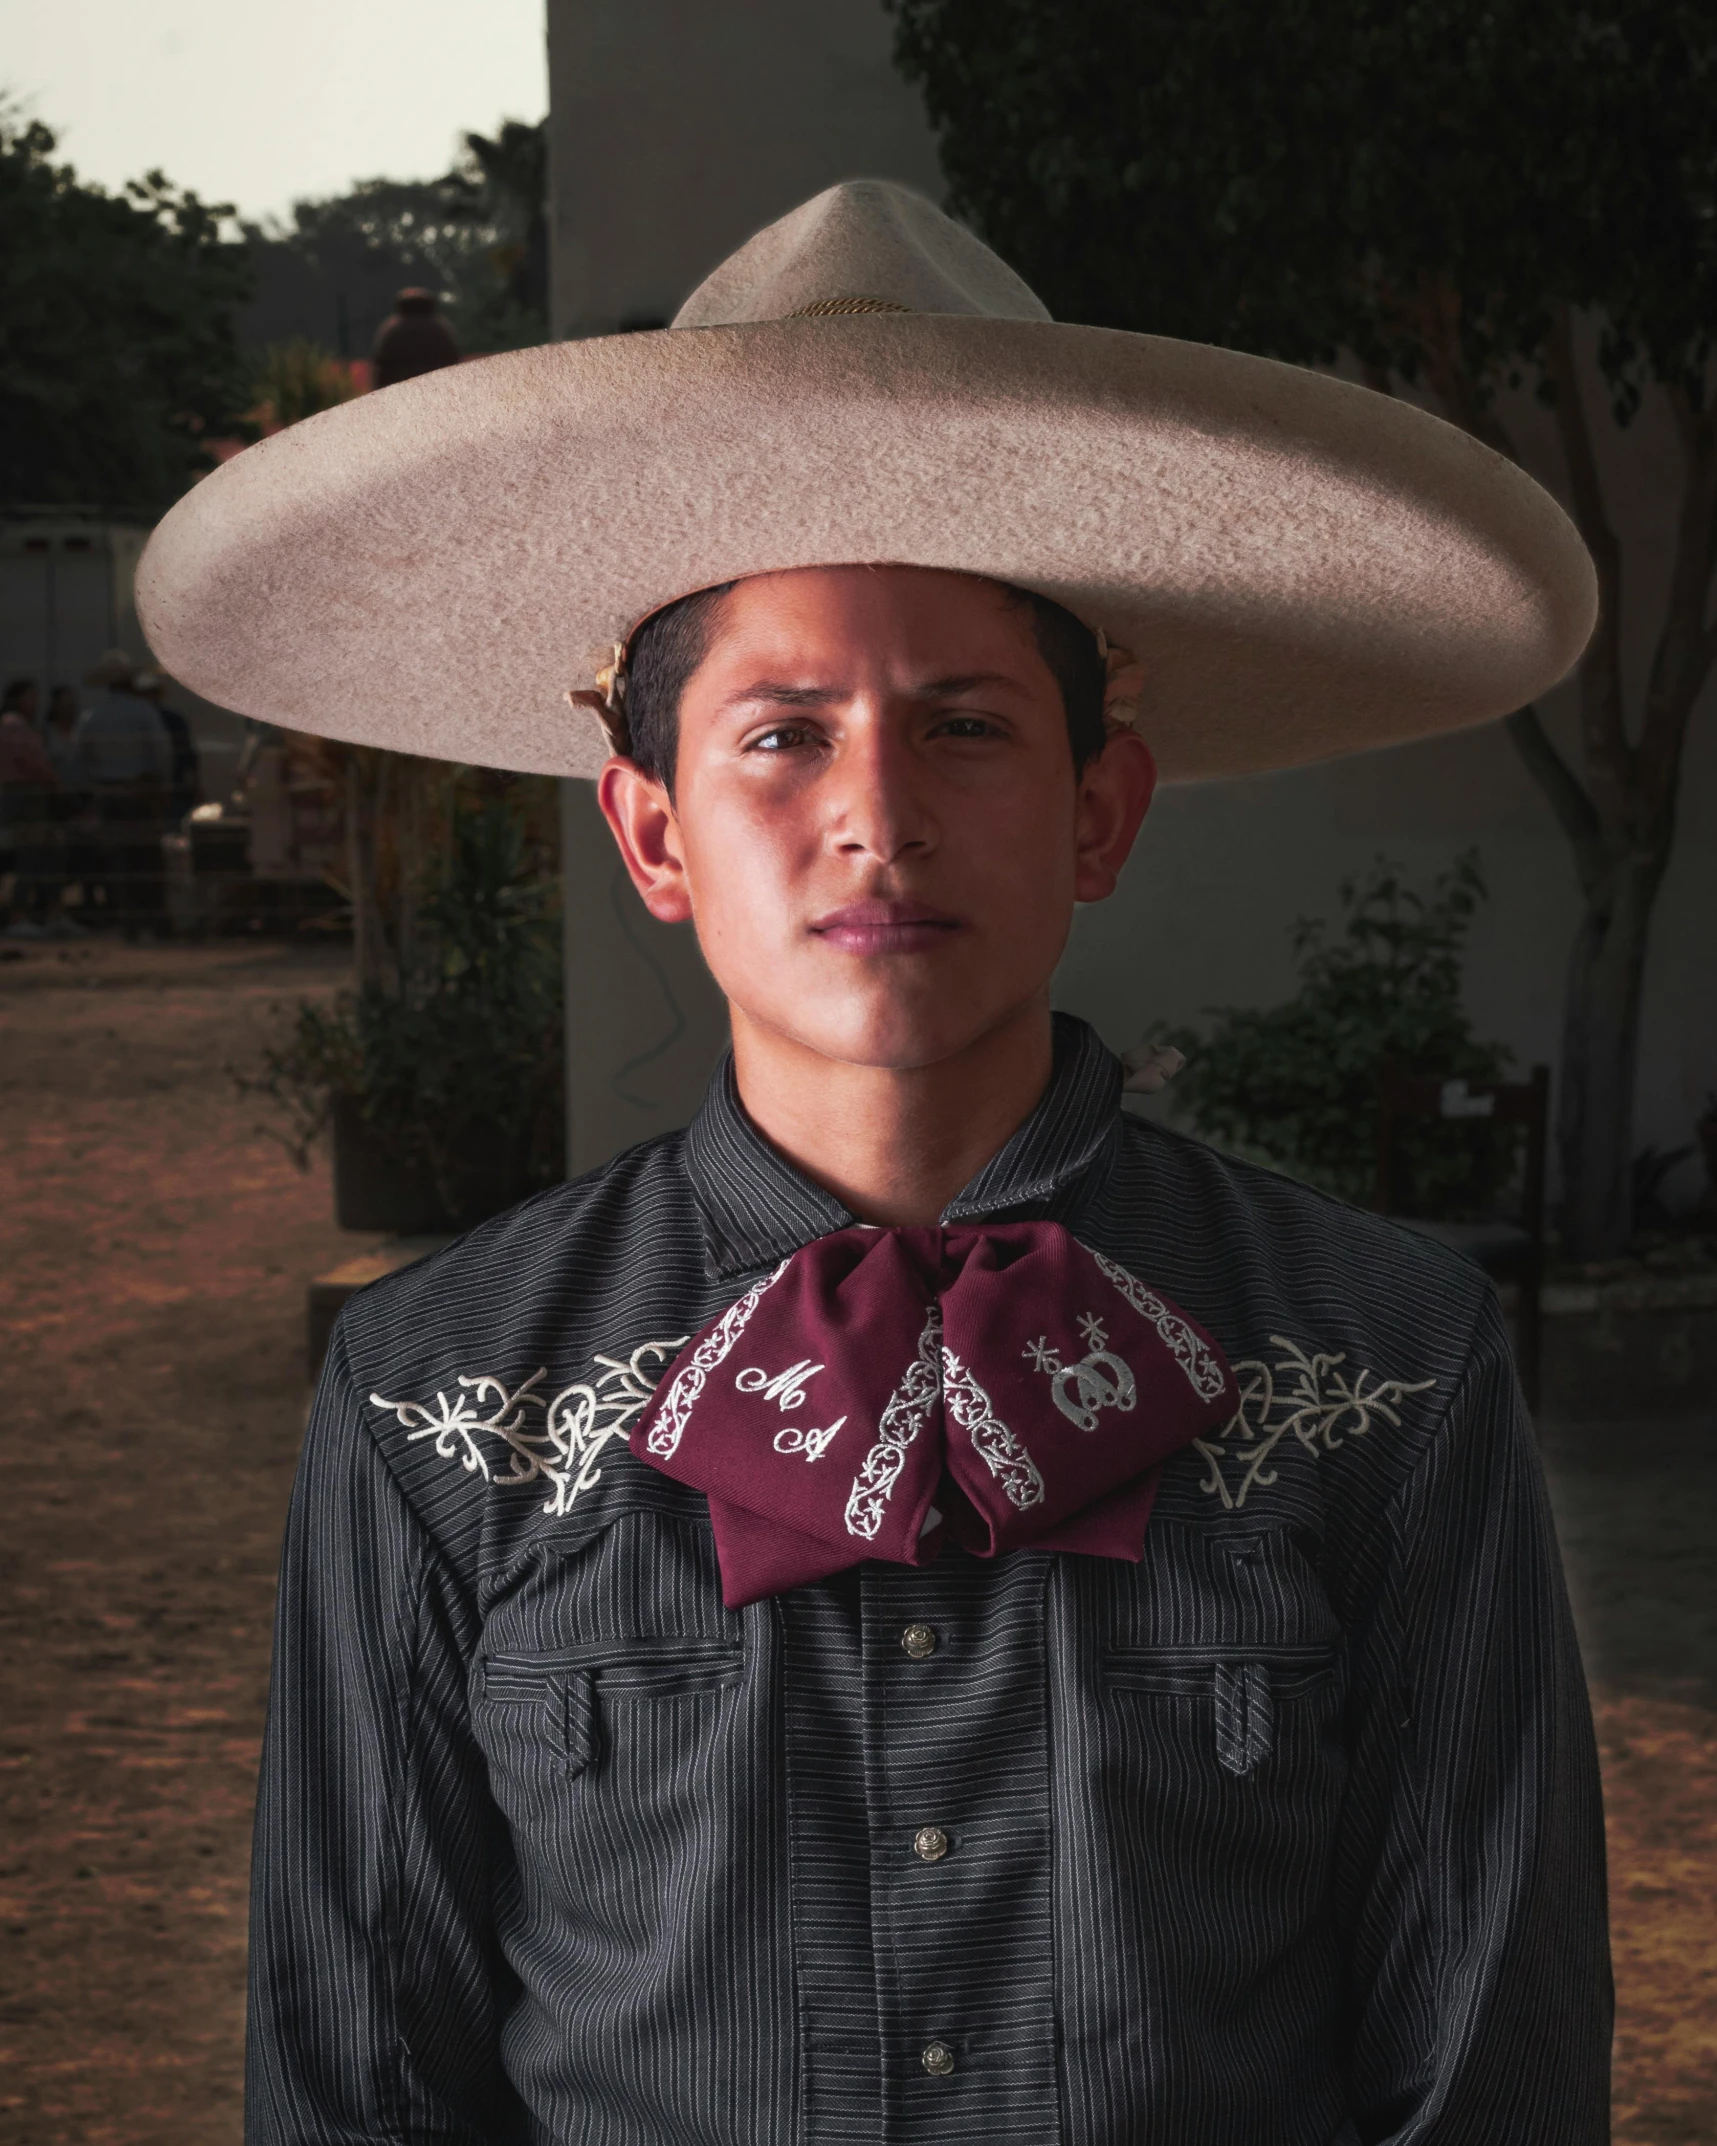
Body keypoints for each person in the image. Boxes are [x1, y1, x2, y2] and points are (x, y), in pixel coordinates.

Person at [138, 183, 1610, 2144]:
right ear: (651, 835)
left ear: (1102, 809)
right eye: (782, 734)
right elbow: (358, 2073)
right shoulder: (435, 1394)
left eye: (967, 725)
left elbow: (1490, 2067)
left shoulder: (1385, 1364)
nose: (878, 814)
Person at [81, 650, 170, 934]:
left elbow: (82, 759)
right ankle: (152, 921)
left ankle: (127, 920)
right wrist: (161, 785)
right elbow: (163, 754)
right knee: (147, 860)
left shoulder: (93, 717)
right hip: (140, 794)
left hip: (109, 794)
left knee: (119, 861)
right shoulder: (143, 711)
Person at [1, 677, 61, 934]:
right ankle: (20, 915)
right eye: (31, 696)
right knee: (32, 854)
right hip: (25, 796)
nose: (35, 702)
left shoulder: (11, 725)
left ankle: (42, 914)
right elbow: (36, 763)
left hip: (17, 795)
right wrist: (56, 782)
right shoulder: (15, 726)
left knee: (36, 853)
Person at [132, 669, 201, 821]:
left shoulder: (174, 720)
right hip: (144, 787)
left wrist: (194, 785)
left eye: (152, 693)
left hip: (173, 786)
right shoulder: (135, 721)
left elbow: (188, 755)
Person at [371, 285, 460, 389]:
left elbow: (380, 366)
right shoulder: (441, 329)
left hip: (399, 390)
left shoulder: (391, 330)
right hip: (435, 388)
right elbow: (453, 362)